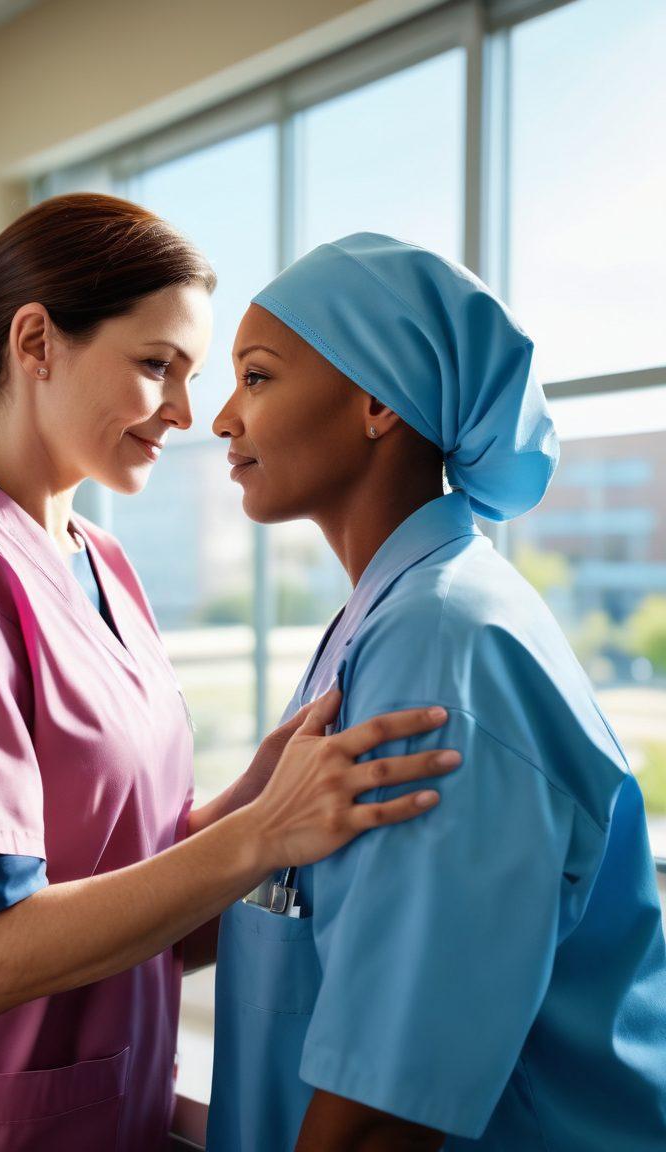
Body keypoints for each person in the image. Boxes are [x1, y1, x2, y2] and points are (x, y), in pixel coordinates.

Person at [0, 198, 460, 1152]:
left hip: (103, 1113)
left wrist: (256, 797)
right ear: (37, 342)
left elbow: (136, 887)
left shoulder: (100, 560)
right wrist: (261, 834)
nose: (188, 413)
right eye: (157, 366)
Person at [207, 232, 666, 1152]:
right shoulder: (388, 617)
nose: (222, 419)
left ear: (377, 402)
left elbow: (387, 1109)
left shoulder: (444, 644)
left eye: (257, 377)